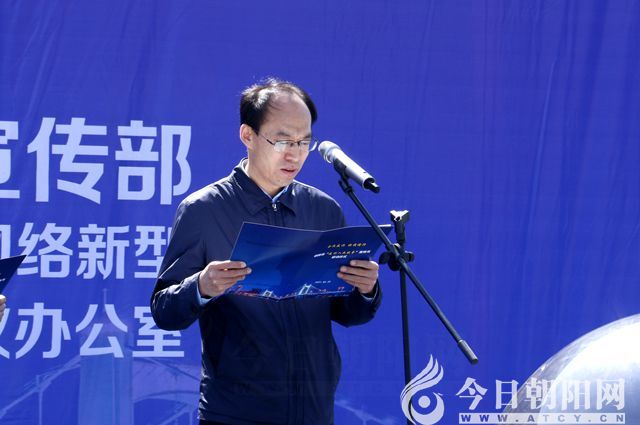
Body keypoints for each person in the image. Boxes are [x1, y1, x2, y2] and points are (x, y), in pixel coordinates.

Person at [151, 78, 381, 425]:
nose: (295, 154)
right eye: (283, 141)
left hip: (314, 411)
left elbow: (347, 314)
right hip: (236, 414)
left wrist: (365, 291)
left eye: (304, 142)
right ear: (248, 135)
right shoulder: (204, 210)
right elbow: (164, 312)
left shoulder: (323, 209)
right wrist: (201, 286)